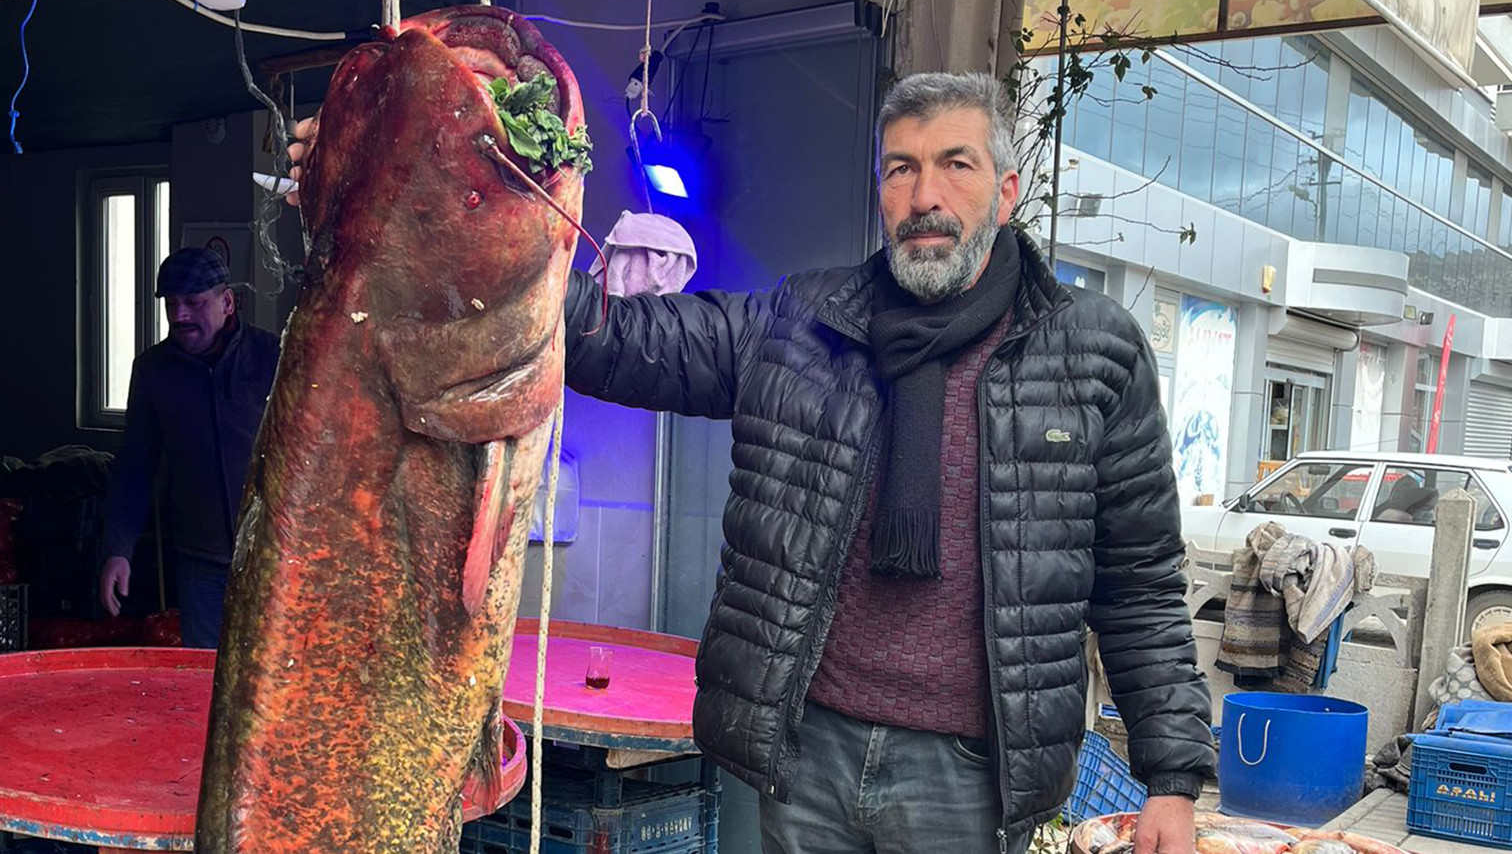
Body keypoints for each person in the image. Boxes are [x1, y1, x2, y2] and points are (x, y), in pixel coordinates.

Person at [288, 71, 1213, 853]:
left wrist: (1172, 779)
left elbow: (1139, 583)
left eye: (955, 164)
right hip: (810, 755)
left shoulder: (1093, 353)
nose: (925, 194)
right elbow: (622, 340)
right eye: (901, 168)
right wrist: (402, 212)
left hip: (970, 777)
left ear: (1006, 192)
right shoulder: (803, 324)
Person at [98, 247, 279, 648]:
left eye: (194, 302)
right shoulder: (153, 371)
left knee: (277, 672)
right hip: (202, 564)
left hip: (274, 557)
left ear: (227, 302)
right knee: (203, 675)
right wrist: (118, 550)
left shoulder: (272, 357)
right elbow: (135, 466)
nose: (179, 315)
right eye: (171, 304)